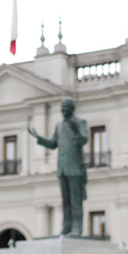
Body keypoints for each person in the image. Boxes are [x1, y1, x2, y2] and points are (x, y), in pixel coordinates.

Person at [28, 97, 87, 236]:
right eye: (61, 108)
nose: (62, 110)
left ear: (72, 108)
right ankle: (66, 227)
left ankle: (76, 228)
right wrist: (40, 138)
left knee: (76, 201)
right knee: (65, 200)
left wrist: (76, 131)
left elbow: (84, 140)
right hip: (62, 168)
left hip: (75, 167)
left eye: (65, 107)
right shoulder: (58, 125)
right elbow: (54, 143)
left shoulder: (80, 122)